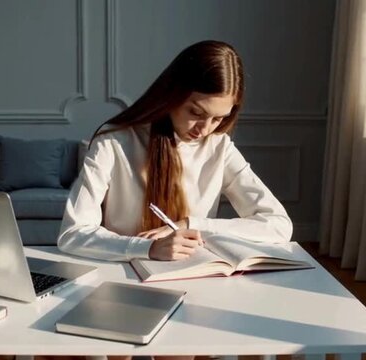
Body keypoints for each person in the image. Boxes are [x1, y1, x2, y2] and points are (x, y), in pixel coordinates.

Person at [57, 40, 292, 360]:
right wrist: (146, 247)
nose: (205, 128)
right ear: (172, 94)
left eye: (219, 118)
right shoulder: (114, 141)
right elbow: (72, 234)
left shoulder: (218, 147)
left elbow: (279, 225)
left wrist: (194, 225)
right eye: (196, 112)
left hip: (192, 289)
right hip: (122, 288)